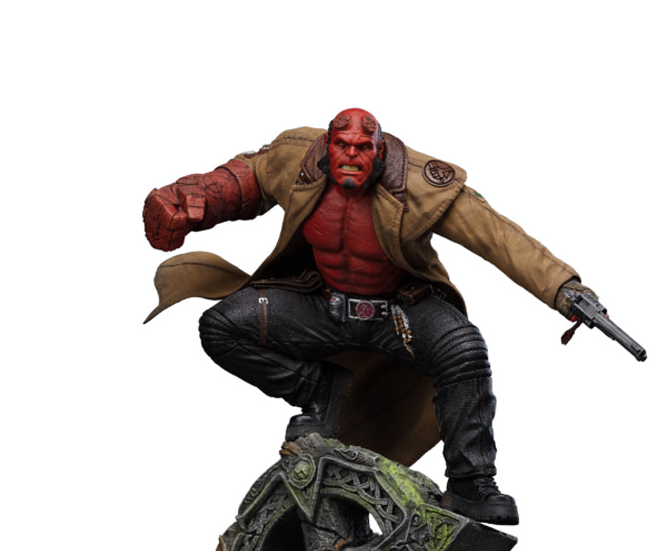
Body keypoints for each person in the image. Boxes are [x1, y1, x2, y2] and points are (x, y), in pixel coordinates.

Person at [143, 108, 598, 525]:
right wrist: (188, 197)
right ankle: (319, 390)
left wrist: (565, 290)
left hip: (399, 313)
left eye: (363, 148)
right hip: (320, 304)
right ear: (328, 145)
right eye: (343, 146)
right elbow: (248, 179)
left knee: (464, 349)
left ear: (380, 151)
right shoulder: (298, 158)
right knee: (223, 325)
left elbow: (499, 238)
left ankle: (471, 483)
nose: (351, 157)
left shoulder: (423, 184)